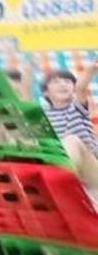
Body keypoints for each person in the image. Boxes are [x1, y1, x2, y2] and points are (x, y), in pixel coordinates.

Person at [40, 62, 98, 190]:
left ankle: (62, 182)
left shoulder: (77, 107)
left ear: (73, 89)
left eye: (67, 81)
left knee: (71, 140)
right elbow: (25, 98)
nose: (63, 84)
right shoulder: (44, 114)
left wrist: (92, 68)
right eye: (56, 82)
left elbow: (81, 88)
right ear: (46, 93)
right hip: (64, 165)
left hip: (91, 167)